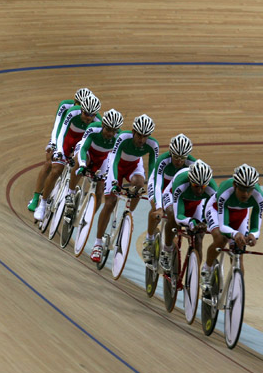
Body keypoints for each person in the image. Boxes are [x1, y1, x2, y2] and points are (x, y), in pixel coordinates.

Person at [90, 114, 159, 263]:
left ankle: (129, 215)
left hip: (133, 166)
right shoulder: (123, 137)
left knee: (139, 184)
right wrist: (115, 183)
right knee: (110, 203)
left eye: (145, 136)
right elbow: (114, 161)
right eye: (139, 135)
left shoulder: (153, 144)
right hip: (116, 166)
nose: (142, 140)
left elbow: (153, 171)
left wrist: (153, 191)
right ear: (133, 132)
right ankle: (97, 244)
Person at [33, 93, 101, 222]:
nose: (89, 117)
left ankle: (70, 193)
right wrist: (58, 150)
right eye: (86, 113)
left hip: (81, 143)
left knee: (79, 165)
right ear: (81, 109)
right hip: (67, 139)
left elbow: (91, 144)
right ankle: (42, 204)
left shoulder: (98, 122)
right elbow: (61, 132)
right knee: (56, 169)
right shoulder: (72, 112)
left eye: (92, 115)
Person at [202, 164, 263, 294]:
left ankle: (236, 292)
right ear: (235, 185)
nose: (246, 194)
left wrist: (253, 235)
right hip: (216, 210)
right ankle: (206, 270)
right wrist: (235, 234)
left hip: (240, 214)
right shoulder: (225, 192)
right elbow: (223, 226)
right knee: (220, 239)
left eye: (249, 189)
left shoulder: (259, 197)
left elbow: (255, 226)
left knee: (239, 249)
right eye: (242, 189)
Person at [143, 133, 196, 263]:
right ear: (171, 153)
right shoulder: (163, 160)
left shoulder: (192, 164)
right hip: (160, 184)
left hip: (176, 188)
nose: (179, 161)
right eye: (176, 157)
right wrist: (159, 207)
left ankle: (170, 239)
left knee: (176, 213)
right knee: (156, 209)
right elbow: (157, 185)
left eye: (182, 158)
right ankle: (149, 240)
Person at [160, 159, 218, 274]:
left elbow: (212, 212)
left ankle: (195, 275)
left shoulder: (212, 188)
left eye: (203, 186)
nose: (200, 190)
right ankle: (167, 250)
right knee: (172, 217)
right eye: (196, 186)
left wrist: (204, 224)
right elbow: (179, 216)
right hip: (174, 197)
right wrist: (191, 222)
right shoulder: (181, 183)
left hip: (195, 203)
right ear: (190, 180)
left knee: (199, 237)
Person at [72, 109, 123, 216]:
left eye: (114, 131)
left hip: (102, 158)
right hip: (87, 151)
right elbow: (83, 148)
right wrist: (82, 165)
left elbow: (115, 160)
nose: (110, 133)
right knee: (80, 164)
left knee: (100, 192)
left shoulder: (119, 137)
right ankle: (70, 192)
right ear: (103, 124)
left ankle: (87, 219)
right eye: (108, 129)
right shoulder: (93, 128)